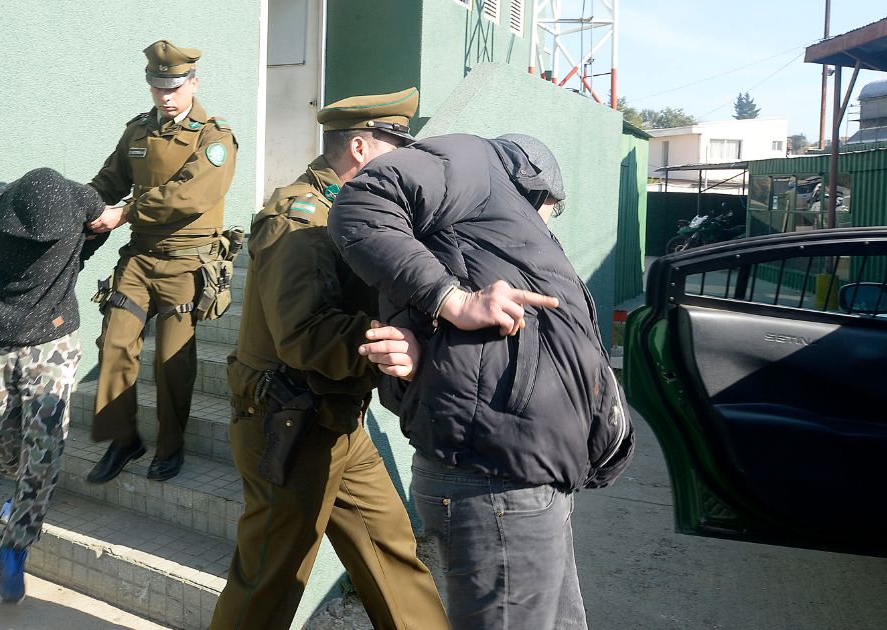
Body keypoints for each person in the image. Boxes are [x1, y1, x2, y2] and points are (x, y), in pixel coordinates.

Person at [330, 133, 635, 629]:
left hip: (526, 472)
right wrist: (454, 301)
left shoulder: (469, 235)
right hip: (493, 478)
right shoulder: (478, 163)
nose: (544, 226)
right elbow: (362, 202)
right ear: (534, 186)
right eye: (548, 212)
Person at [209, 88, 448, 630]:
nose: (404, 162)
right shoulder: (301, 221)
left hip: (336, 417)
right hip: (290, 422)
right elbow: (306, 335)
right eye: (396, 147)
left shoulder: (353, 210)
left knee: (391, 551)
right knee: (268, 579)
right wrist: (394, 342)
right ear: (361, 148)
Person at [0, 167, 110, 604]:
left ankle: (15, 546)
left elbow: (105, 222)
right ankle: (23, 488)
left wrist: (104, 229)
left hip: (54, 340)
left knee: (44, 444)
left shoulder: (80, 199)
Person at [85, 40, 237, 484]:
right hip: (138, 260)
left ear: (193, 82)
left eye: (174, 86)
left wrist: (125, 213)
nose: (166, 96)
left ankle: (171, 446)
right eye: (157, 87)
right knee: (114, 346)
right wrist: (77, 205)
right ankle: (123, 439)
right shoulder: (136, 132)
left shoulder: (215, 137)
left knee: (172, 363)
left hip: (187, 263)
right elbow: (107, 181)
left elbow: (189, 195)